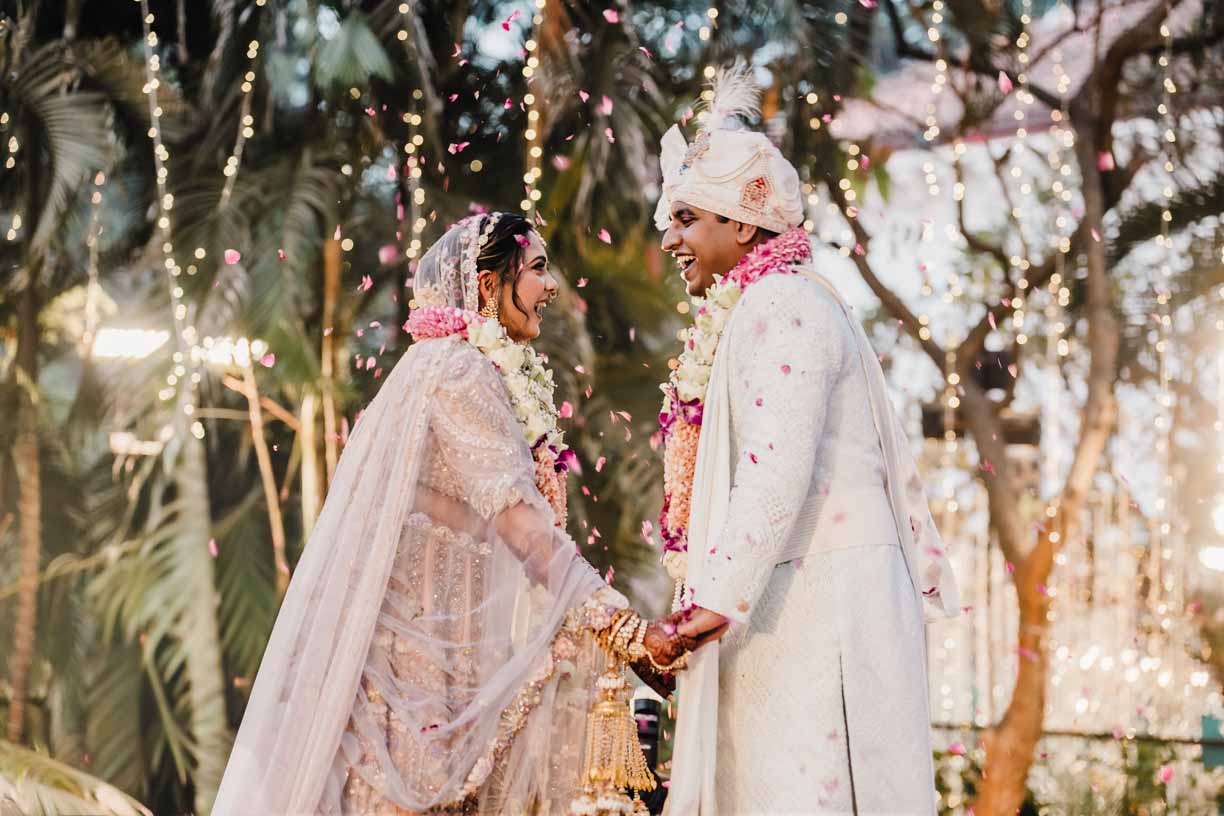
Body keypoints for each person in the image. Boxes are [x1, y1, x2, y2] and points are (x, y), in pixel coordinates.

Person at [214, 212, 693, 816]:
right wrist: (622, 628)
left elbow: (470, 514)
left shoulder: (454, 368)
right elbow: (520, 526)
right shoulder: (459, 368)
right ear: (489, 285)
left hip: (447, 655)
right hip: (415, 666)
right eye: (538, 269)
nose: (551, 286)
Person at [649, 64, 962, 814]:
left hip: (827, 603)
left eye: (686, 218)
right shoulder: (766, 305)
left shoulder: (783, 304)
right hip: (795, 594)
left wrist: (711, 602)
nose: (670, 239)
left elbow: (775, 464)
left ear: (744, 223)